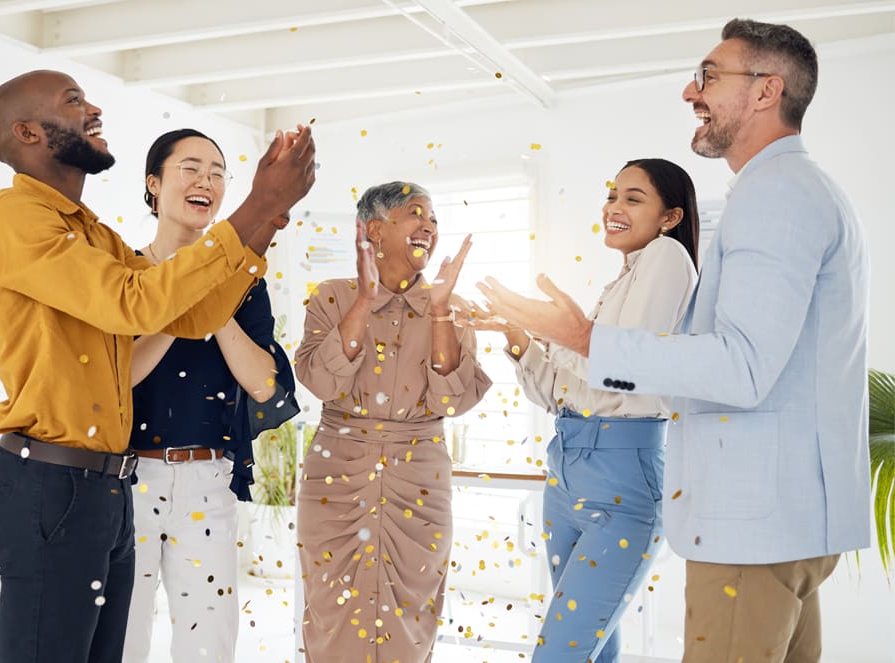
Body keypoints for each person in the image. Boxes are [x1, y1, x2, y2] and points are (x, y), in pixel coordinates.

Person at [477, 18, 870, 663]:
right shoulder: (791, 190)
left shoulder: (775, 195)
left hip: (750, 528)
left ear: (767, 90)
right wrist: (546, 340)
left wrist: (580, 336)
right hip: (776, 522)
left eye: (709, 77)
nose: (691, 92)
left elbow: (742, 367)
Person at [0, 70, 314, 663]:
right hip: (50, 480)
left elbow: (192, 314)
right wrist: (257, 206)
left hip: (103, 485)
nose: (94, 109)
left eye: (217, 172)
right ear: (28, 132)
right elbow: (136, 303)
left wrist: (265, 221)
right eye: (74, 101)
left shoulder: (95, 236)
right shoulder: (15, 215)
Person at [473, 159, 698, 662]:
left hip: (621, 480)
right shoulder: (621, 282)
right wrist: (517, 334)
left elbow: (624, 366)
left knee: (561, 653)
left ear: (670, 217)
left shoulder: (667, 256)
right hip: (566, 470)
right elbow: (561, 394)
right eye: (612, 195)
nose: (614, 207)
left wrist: (556, 331)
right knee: (594, 647)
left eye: (633, 198)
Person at [294, 182, 492, 662]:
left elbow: (451, 400)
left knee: (413, 607)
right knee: (331, 605)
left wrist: (440, 312)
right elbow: (321, 381)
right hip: (337, 471)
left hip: (419, 474)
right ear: (375, 230)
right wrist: (365, 300)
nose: (429, 226)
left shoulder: (454, 307)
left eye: (434, 219)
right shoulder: (332, 297)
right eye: (415, 213)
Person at [122, 129, 300, 663]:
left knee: (210, 645)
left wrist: (214, 297)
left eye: (218, 173)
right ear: (154, 184)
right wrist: (180, 297)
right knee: (120, 637)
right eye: (191, 168)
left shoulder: (244, 284)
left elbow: (265, 384)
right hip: (126, 481)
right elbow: (116, 378)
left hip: (208, 481)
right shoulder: (122, 273)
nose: (207, 181)